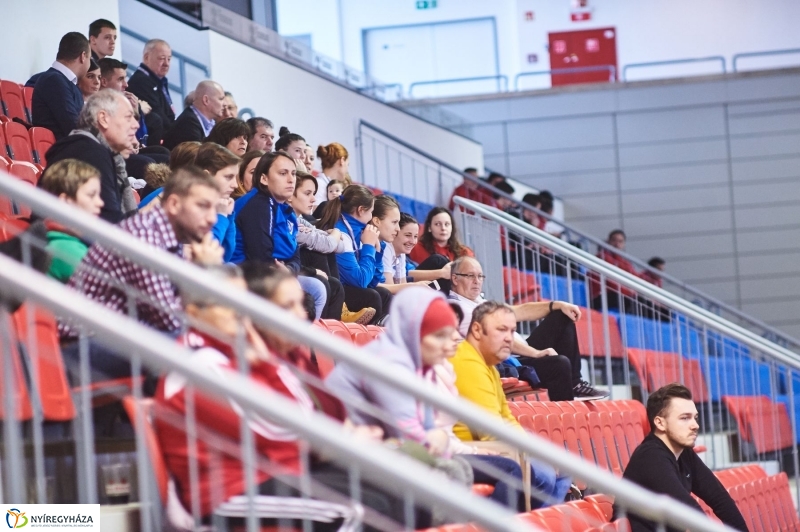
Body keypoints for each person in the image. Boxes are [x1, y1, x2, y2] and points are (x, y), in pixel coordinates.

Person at [155, 265, 372, 530]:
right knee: (358, 512)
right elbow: (280, 429)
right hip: (229, 492)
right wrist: (336, 444)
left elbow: (305, 417)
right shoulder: (201, 362)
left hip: (270, 473)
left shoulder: (238, 353)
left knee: (388, 494)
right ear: (193, 313)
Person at [58, 167, 224, 383]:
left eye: (214, 209)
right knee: (193, 344)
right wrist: (203, 271)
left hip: (113, 336)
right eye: (203, 206)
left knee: (207, 337)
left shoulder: (165, 236)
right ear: (174, 204)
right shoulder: (143, 238)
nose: (212, 219)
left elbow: (177, 307)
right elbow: (171, 320)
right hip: (80, 345)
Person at [447, 300, 572, 506]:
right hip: (472, 449)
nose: (509, 338)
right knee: (547, 474)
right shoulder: (468, 362)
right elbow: (492, 432)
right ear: (477, 330)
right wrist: (530, 454)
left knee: (563, 467)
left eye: (512, 331)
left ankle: (537, 518)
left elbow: (507, 419)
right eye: (501, 330)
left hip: (489, 446)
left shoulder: (489, 366)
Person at [448, 256, 607, 401]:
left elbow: (520, 310)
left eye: (480, 276)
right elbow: (496, 339)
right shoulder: (458, 308)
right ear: (455, 278)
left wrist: (557, 305)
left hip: (520, 352)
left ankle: (575, 384)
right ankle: (566, 418)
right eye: (470, 276)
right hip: (508, 361)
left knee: (562, 316)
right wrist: (536, 353)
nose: (477, 281)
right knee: (559, 364)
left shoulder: (479, 301)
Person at [618, 384, 748, 532]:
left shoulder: (683, 453)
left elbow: (720, 500)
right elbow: (690, 511)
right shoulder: (650, 456)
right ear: (660, 423)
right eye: (685, 418)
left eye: (695, 418)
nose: (695, 425)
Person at [235, 151, 333, 321]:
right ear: (264, 179)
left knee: (317, 288)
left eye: (293, 173)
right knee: (304, 299)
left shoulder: (284, 209)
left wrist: (289, 270)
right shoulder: (259, 204)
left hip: (274, 270)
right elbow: (260, 256)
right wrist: (284, 277)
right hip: (245, 272)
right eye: (282, 173)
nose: (291, 179)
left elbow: (295, 254)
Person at [44, 90, 139, 224]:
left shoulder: (92, 149)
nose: (136, 125)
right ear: (103, 119)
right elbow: (109, 223)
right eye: (128, 117)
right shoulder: (91, 153)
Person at [289, 171, 372, 324]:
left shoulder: (299, 221)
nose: (314, 199)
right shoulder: (289, 222)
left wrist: (330, 238)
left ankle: (339, 314)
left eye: (314, 193)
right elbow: (360, 280)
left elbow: (337, 246)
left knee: (336, 283)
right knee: (322, 261)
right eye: (308, 193)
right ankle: (331, 320)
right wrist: (369, 247)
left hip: (299, 267)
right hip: (290, 269)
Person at [317, 185, 390, 324]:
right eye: (371, 212)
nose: (371, 217)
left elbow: (373, 281)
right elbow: (360, 281)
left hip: (348, 287)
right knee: (371, 297)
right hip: (337, 291)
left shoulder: (361, 232)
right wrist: (368, 247)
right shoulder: (341, 232)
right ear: (361, 210)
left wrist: (377, 251)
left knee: (384, 294)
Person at [39, 160, 104, 282]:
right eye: (91, 195)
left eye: (99, 195)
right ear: (65, 200)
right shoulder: (66, 250)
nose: (100, 203)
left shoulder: (54, 238)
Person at [32, 32, 91, 140]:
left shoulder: (68, 83)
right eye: (89, 58)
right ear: (83, 56)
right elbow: (73, 126)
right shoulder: (53, 80)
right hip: (63, 149)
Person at [409, 207, 473, 294]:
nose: (443, 228)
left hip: (458, 293)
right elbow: (407, 274)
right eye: (438, 224)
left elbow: (471, 278)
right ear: (429, 227)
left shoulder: (464, 252)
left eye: (447, 224)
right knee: (438, 260)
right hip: (423, 291)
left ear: (452, 227)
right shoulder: (415, 248)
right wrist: (441, 273)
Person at [194, 143, 240, 262]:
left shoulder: (216, 204)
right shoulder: (188, 204)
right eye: (228, 177)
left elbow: (225, 255)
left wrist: (229, 216)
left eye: (236, 178)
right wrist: (222, 217)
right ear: (206, 176)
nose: (235, 185)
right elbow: (204, 257)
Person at [383, 212, 451, 288]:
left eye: (415, 236)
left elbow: (401, 284)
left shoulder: (401, 254)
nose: (412, 241)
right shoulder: (386, 248)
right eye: (408, 235)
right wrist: (415, 285)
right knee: (438, 260)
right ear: (395, 232)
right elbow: (389, 289)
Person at [126, 39, 174, 146]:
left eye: (169, 59)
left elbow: (169, 114)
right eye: (162, 58)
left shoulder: (160, 81)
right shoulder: (140, 81)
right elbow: (160, 116)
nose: (166, 64)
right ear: (146, 57)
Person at [163, 80, 226, 150]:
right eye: (221, 99)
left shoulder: (211, 123)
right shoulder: (187, 124)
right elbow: (202, 155)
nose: (224, 104)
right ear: (206, 100)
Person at [590, 229, 641, 313]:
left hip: (619, 294)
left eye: (620, 241)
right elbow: (612, 283)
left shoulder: (624, 261)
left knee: (646, 304)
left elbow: (636, 279)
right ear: (608, 241)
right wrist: (630, 291)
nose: (617, 244)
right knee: (632, 302)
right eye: (614, 240)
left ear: (623, 244)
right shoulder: (602, 257)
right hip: (602, 296)